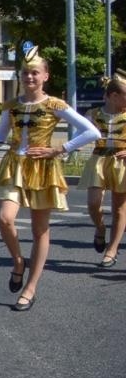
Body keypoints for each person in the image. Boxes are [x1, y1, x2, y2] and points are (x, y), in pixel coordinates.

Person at [0, 45, 98, 310]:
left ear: (45, 76)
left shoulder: (55, 105)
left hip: (43, 167)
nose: (29, 78)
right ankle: (18, 261)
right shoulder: (11, 105)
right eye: (25, 73)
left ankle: (30, 287)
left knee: (40, 229)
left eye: (34, 73)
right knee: (5, 218)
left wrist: (59, 149)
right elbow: (0, 136)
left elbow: (91, 132)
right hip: (14, 165)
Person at [79, 74, 126, 267]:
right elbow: (81, 134)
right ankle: (100, 228)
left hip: (121, 163)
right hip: (98, 160)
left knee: (119, 209)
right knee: (93, 203)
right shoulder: (93, 113)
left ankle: (112, 249)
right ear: (114, 96)